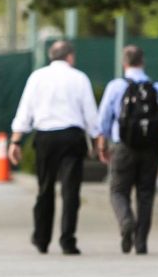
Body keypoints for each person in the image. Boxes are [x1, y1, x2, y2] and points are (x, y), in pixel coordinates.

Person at [8, 40, 99, 255]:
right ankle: (68, 240)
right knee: (71, 191)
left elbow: (25, 111)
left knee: (45, 188)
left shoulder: (37, 77)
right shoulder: (79, 78)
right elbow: (90, 114)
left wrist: (16, 141)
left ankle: (41, 238)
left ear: (52, 56)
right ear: (70, 57)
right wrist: (97, 140)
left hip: (46, 137)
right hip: (72, 137)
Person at [96, 45, 158, 254]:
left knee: (118, 190)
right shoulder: (156, 88)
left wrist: (102, 144)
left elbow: (104, 120)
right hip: (150, 148)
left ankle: (126, 220)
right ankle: (141, 242)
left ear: (124, 63)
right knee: (146, 194)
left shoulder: (116, 86)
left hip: (123, 146)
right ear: (143, 62)